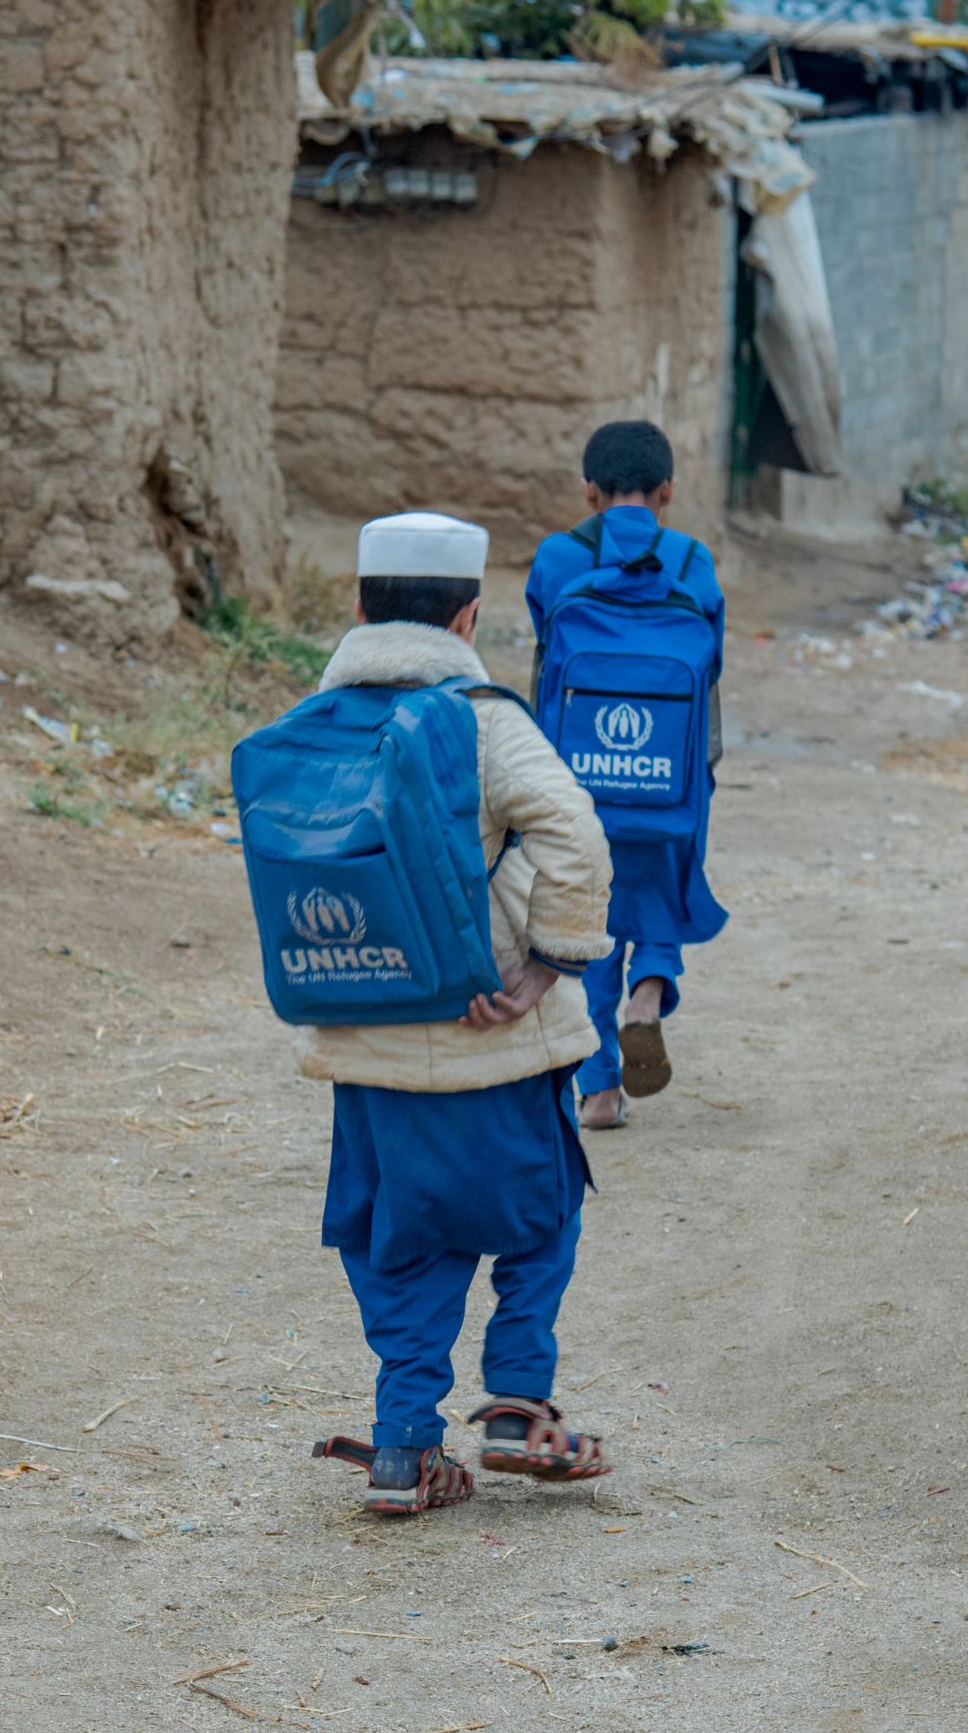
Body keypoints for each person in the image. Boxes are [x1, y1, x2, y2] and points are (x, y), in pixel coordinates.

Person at [296, 511, 617, 1516]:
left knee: (398, 1241)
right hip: (495, 1043)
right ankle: (520, 1409)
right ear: (468, 616)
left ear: (358, 606)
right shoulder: (479, 718)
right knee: (541, 1220)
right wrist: (545, 965)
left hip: (366, 1045)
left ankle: (404, 1450)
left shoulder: (314, 724)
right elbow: (570, 829)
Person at [526, 420, 727, 1132]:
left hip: (579, 780)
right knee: (660, 893)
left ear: (588, 491)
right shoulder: (692, 561)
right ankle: (651, 991)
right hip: (668, 776)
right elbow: (710, 668)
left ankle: (600, 1091)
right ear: (667, 491)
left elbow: (545, 651)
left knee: (591, 921)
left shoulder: (556, 559)